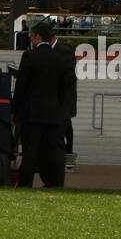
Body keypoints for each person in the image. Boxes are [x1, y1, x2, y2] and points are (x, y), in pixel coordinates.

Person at [12, 21, 73, 188]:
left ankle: (25, 184)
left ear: (38, 37)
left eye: (32, 36)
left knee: (30, 152)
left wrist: (15, 108)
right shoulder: (61, 58)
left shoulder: (29, 56)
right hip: (53, 113)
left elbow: (21, 86)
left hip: (32, 113)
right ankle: (54, 183)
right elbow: (65, 86)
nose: (31, 39)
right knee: (53, 151)